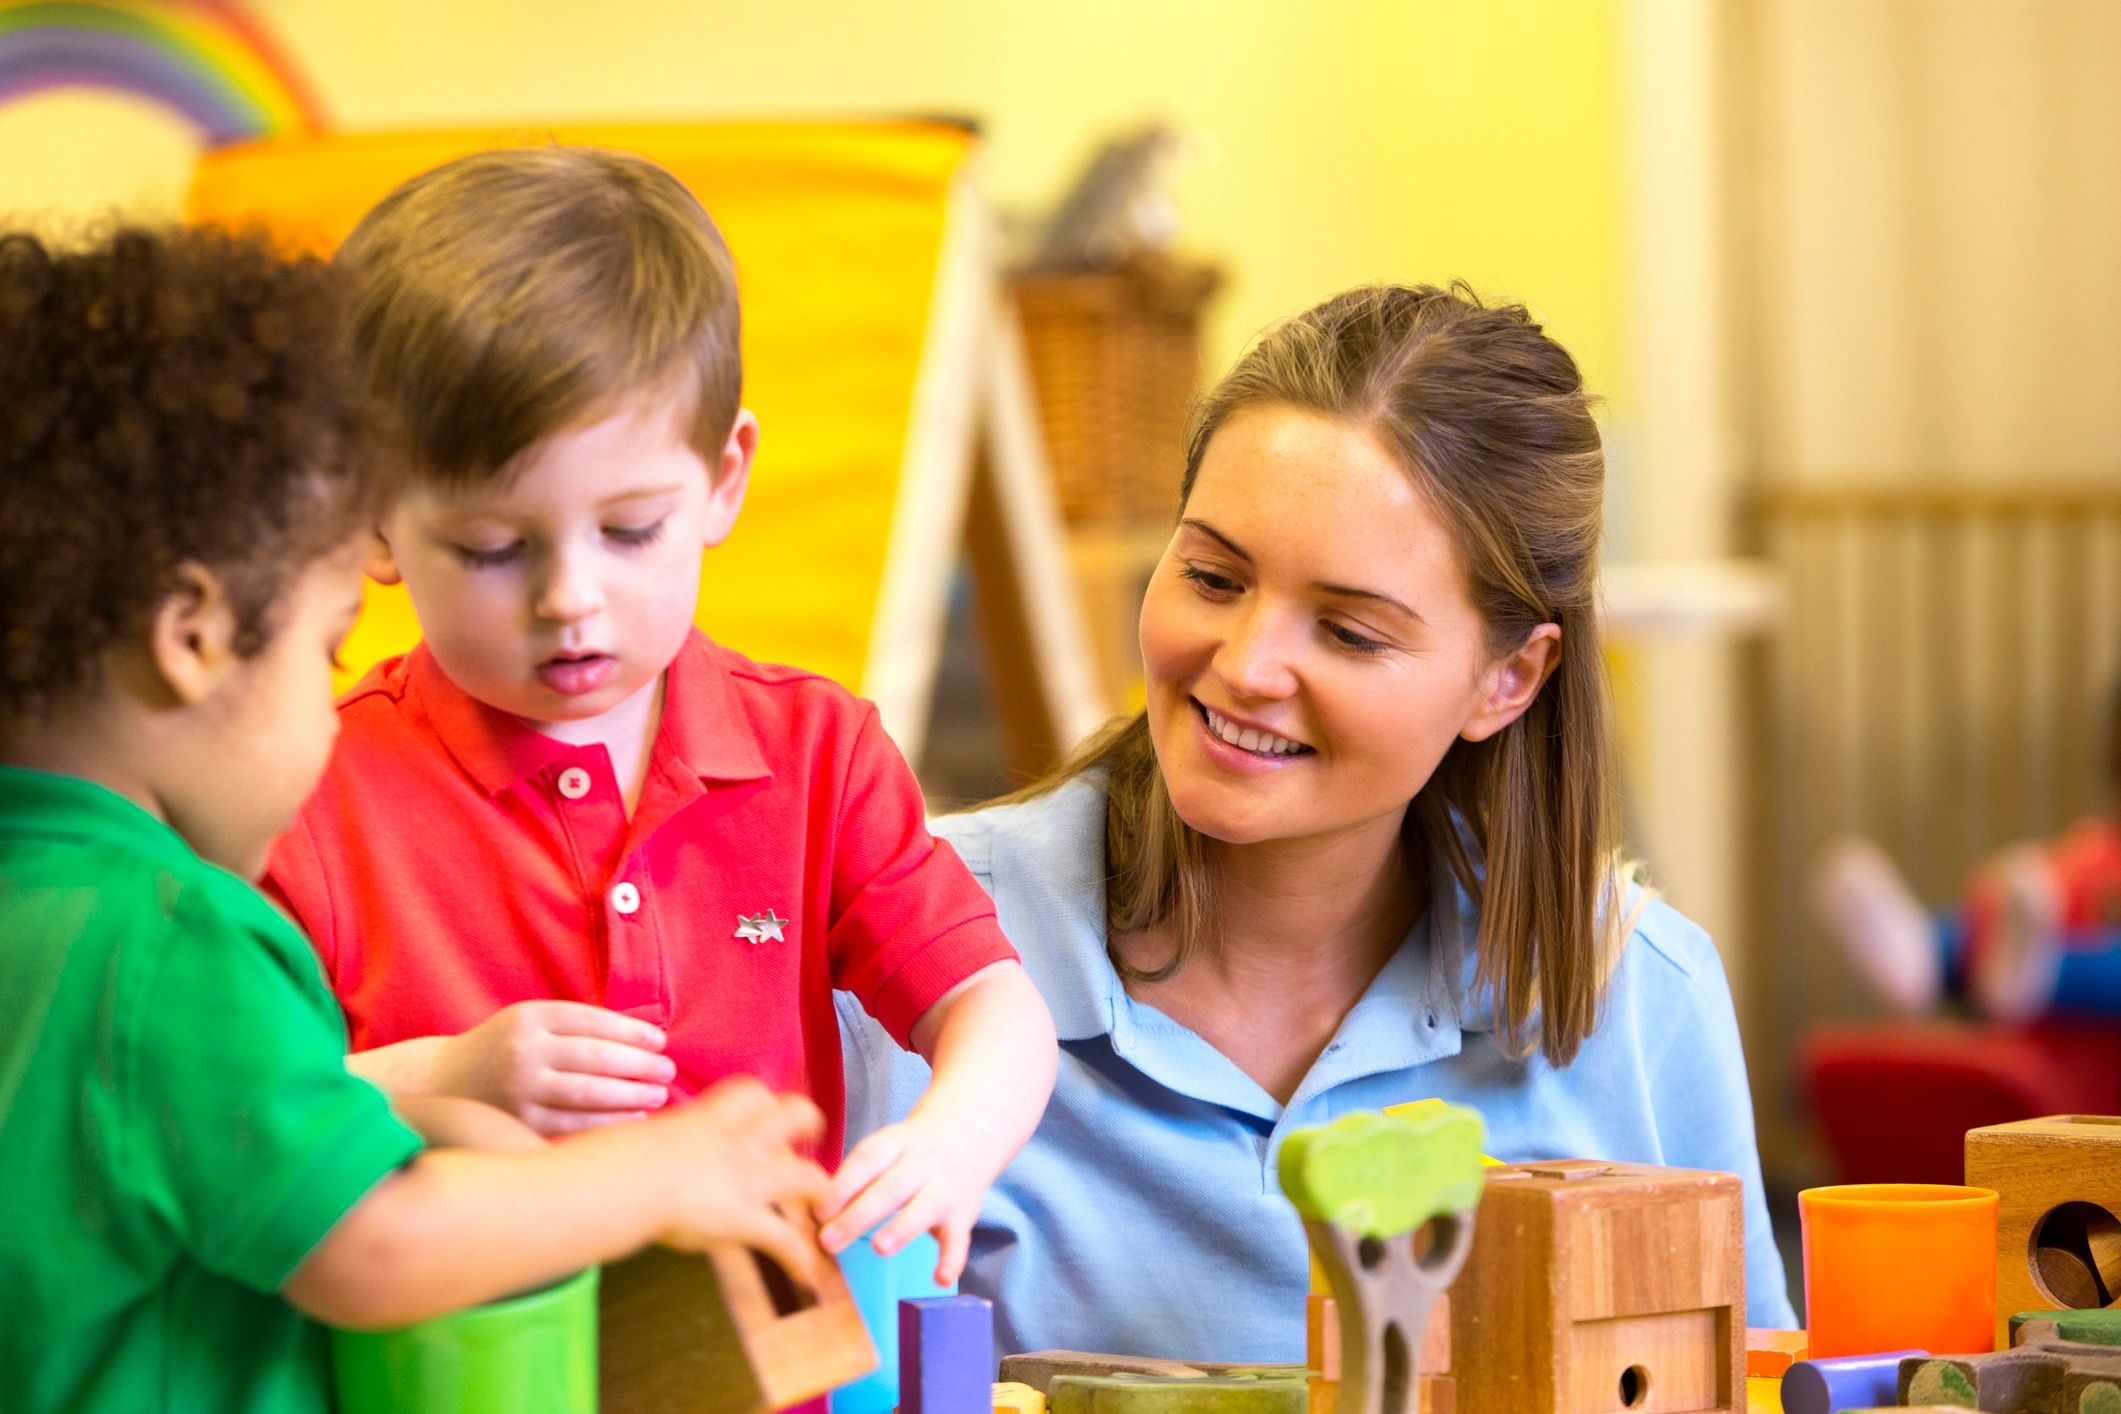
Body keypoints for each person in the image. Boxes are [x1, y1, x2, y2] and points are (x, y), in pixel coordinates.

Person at [842, 282, 1797, 1360]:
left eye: (1347, 632)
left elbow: (1747, 1380)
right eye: (1210, 575)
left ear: (1508, 678)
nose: (1245, 667)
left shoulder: (1643, 994)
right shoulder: (896, 941)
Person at [0, 227, 834, 1412]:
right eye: (327, 641)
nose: (335, 707)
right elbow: (372, 1242)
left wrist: (450, 1117)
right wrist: (656, 1172)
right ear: (191, 640)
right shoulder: (174, 935)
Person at [261, 147, 1056, 1287]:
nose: (569, 598)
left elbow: (991, 1003)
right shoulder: (312, 784)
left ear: (726, 477)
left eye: (630, 530)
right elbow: (228, 1112)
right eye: (493, 549)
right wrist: (444, 1074)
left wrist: (952, 1141)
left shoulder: (817, 756)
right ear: (372, 521)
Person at [1811, 677, 2121, 1022]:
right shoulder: (2099, 844)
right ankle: (1923, 952)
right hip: (2037, 956)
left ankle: (2042, 975)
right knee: (2014, 909)